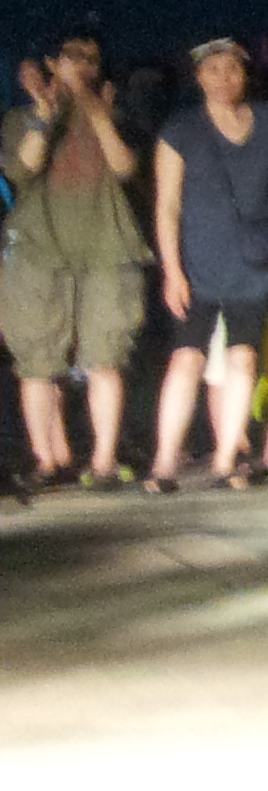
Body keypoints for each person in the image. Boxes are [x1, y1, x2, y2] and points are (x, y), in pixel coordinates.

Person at [144, 38, 268, 492]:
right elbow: (167, 205)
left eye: (232, 70)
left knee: (244, 357)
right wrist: (172, 270)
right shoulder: (181, 128)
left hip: (254, 261)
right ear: (198, 77)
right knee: (187, 358)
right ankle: (164, 463)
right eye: (213, 70)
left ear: (245, 75)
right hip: (198, 262)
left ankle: (226, 460)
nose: (223, 78)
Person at [4, 29, 151, 489]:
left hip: (107, 247)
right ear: (52, 63)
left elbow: (125, 167)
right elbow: (22, 169)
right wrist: (45, 115)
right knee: (37, 359)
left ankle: (104, 460)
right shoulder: (20, 118)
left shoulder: (116, 116)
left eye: (91, 59)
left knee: (105, 355)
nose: (83, 66)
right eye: (72, 57)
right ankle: (49, 460)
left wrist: (96, 111)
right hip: (37, 251)